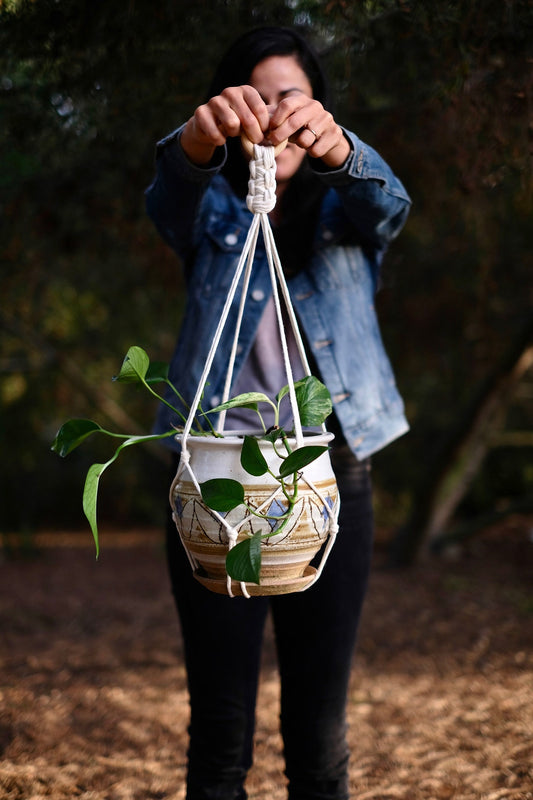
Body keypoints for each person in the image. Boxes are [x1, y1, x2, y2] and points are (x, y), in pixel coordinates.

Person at [145, 25, 411, 800]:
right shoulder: (213, 214)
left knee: (318, 733)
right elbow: (168, 200)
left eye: (291, 98)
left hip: (331, 477)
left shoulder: (346, 212)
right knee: (221, 730)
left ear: (319, 111)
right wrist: (195, 142)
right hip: (216, 477)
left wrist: (340, 150)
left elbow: (388, 206)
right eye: (255, 100)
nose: (275, 116)